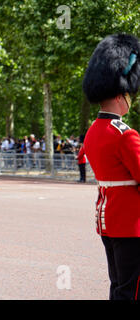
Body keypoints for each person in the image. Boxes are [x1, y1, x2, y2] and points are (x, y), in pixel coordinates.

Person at [82, 33, 140, 300]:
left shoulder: (93, 131)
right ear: (121, 95)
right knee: (132, 289)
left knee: (118, 285)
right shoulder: (124, 134)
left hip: (108, 221)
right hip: (131, 223)